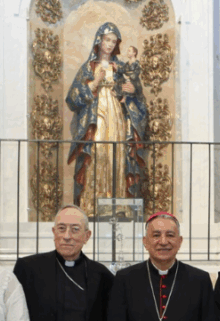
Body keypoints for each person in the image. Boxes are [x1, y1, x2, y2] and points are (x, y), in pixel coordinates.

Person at [66, 22, 148, 215]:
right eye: (107, 39)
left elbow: (138, 99)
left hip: (117, 116)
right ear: (99, 40)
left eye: (114, 41)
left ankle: (119, 204)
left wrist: (133, 91)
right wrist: (93, 84)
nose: (110, 44)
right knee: (98, 152)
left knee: (118, 154)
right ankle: (92, 205)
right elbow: (72, 98)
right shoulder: (88, 67)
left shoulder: (121, 67)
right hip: (96, 118)